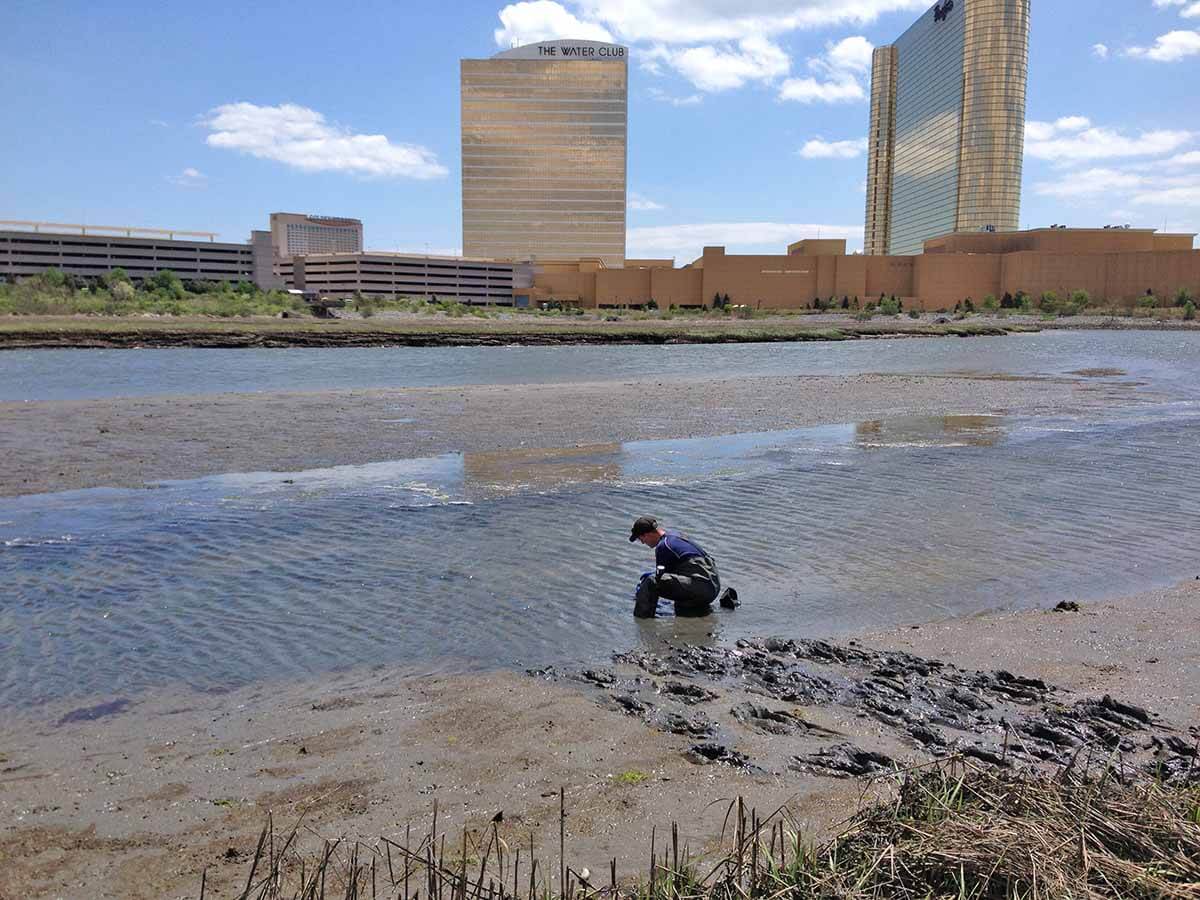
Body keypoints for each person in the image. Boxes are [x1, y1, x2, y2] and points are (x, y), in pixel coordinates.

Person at [628, 516, 739, 618]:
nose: (642, 543)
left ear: (647, 534)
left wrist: (642, 593)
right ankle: (698, 609)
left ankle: (642, 619)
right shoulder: (676, 536)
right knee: (671, 588)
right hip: (713, 585)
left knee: (650, 582)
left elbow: (658, 580)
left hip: (703, 588)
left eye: (641, 539)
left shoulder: (663, 546)